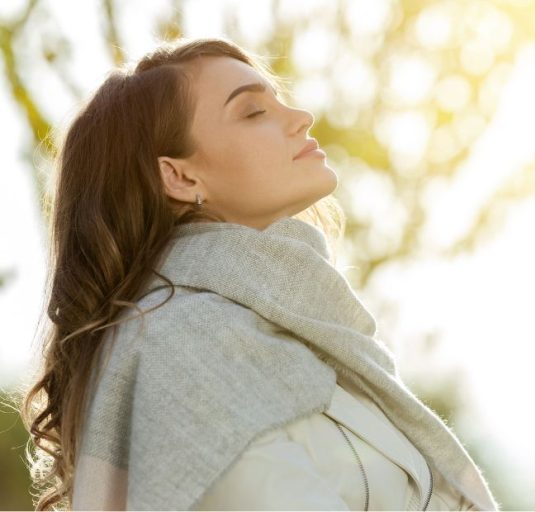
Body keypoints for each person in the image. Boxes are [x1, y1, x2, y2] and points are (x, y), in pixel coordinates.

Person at [19, 37, 499, 511]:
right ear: (181, 177)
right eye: (253, 112)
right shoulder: (185, 343)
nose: (301, 118)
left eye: (278, 101)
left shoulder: (293, 332)